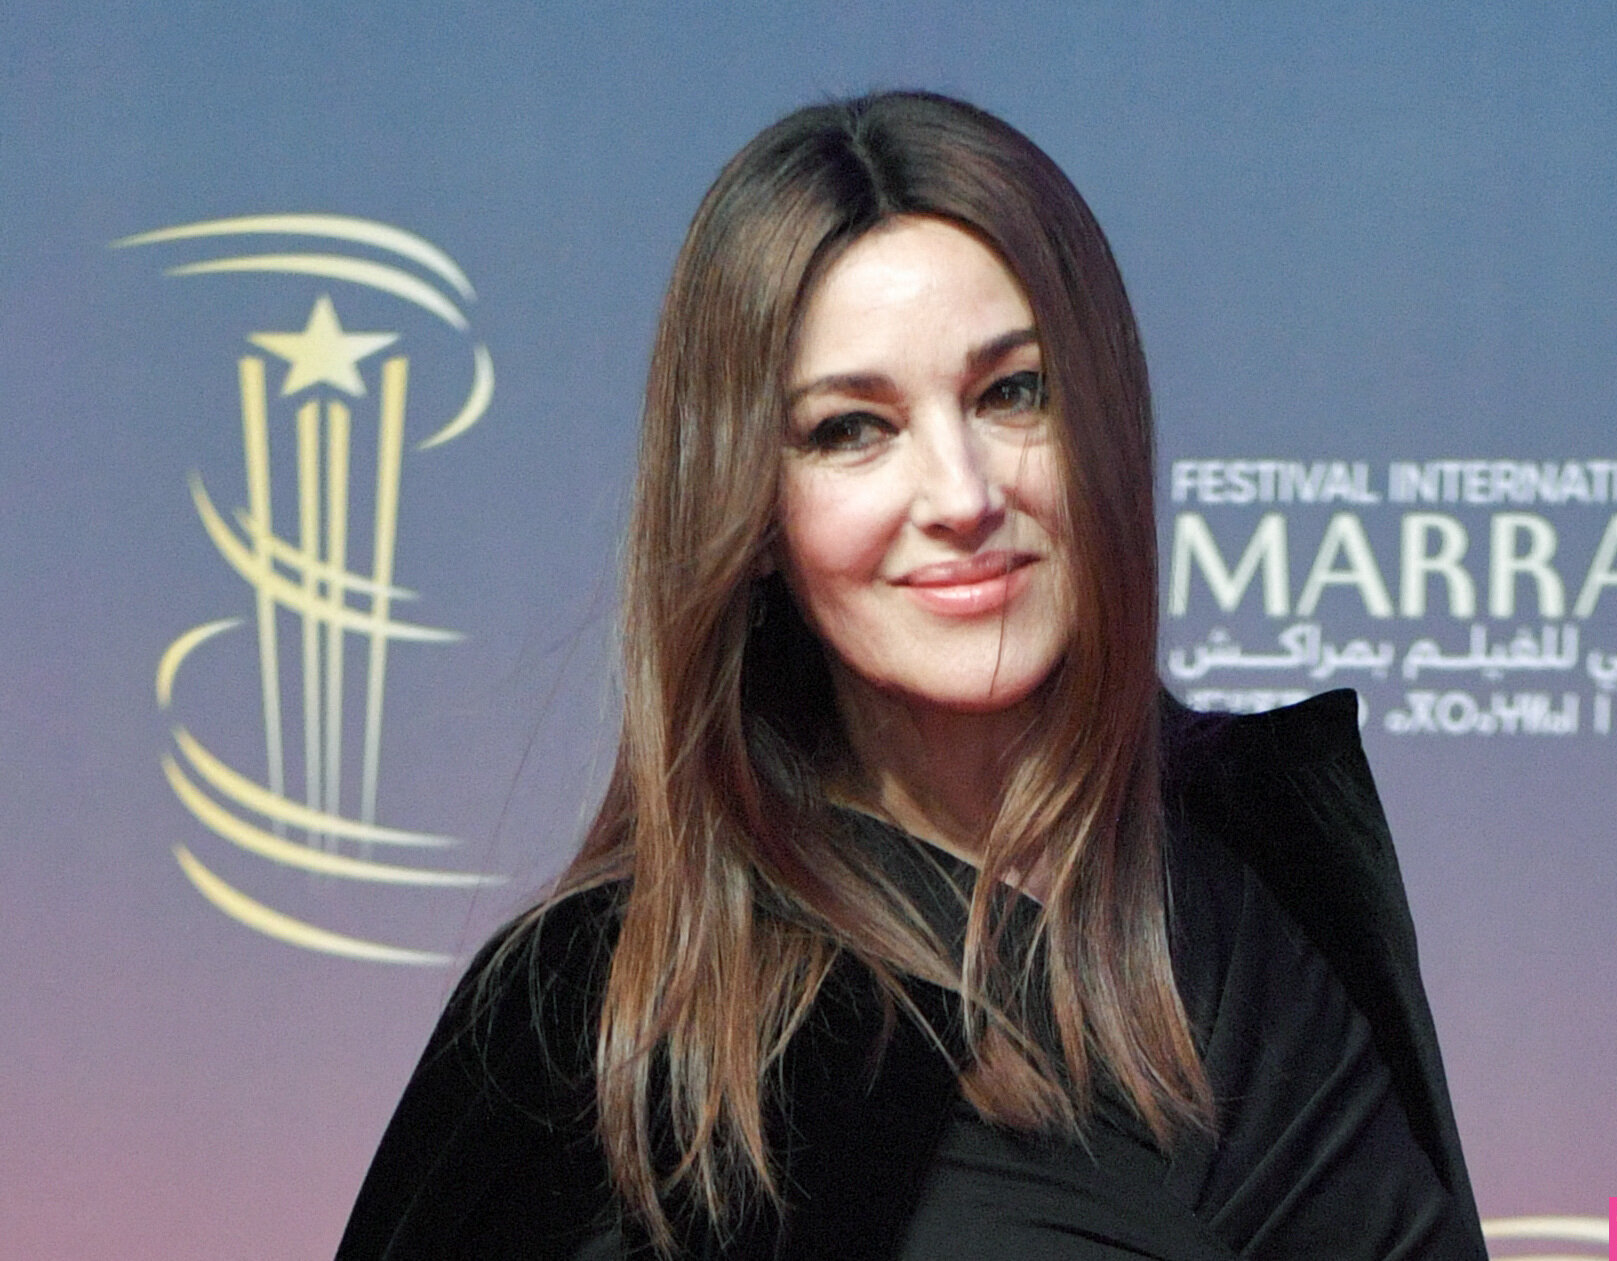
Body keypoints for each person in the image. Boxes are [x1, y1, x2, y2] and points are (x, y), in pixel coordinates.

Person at [338, 91, 1488, 1260]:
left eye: (1011, 393)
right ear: (753, 508)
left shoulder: (1273, 864)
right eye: (851, 428)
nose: (961, 495)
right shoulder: (592, 1023)